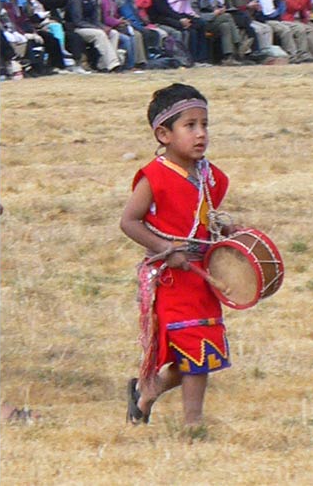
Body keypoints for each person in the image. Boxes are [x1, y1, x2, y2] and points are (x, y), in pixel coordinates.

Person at [119, 84, 232, 428]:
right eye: (191, 126)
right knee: (196, 347)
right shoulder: (154, 176)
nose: (201, 134)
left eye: (205, 124)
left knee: (202, 351)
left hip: (203, 276)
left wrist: (229, 231)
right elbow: (129, 222)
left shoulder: (210, 176)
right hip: (171, 278)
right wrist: (166, 251)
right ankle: (193, 425)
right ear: (163, 134)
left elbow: (205, 222)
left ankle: (146, 391)